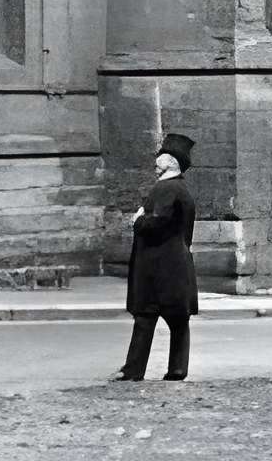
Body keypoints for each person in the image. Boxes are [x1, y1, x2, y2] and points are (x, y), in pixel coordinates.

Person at [114, 130, 197, 382]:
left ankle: (133, 371)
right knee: (178, 321)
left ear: (172, 161)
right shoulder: (181, 189)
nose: (157, 159)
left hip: (158, 268)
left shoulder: (166, 189)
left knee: (145, 317)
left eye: (161, 155)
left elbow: (156, 223)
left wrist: (138, 220)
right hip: (177, 266)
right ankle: (177, 369)